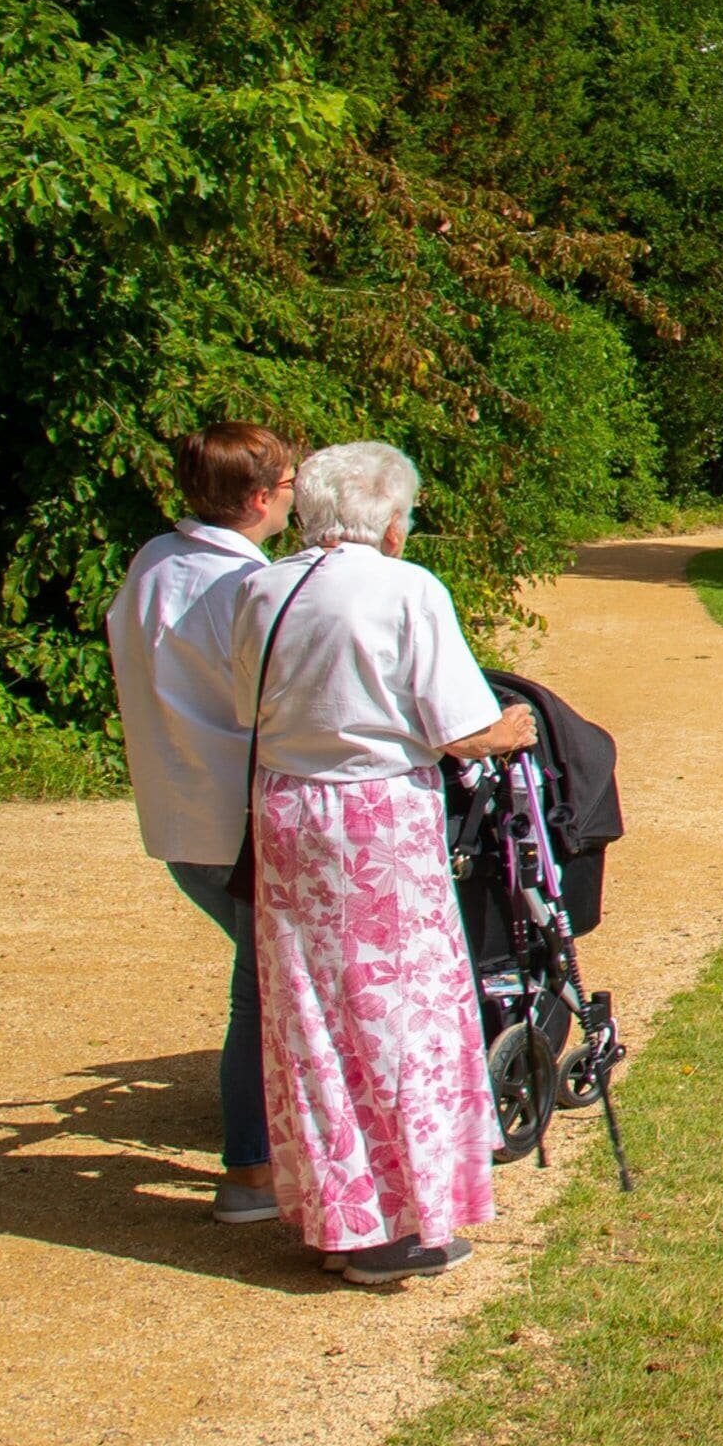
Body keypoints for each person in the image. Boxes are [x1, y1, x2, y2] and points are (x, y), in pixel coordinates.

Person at [216, 441, 531, 1285]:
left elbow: (249, 704)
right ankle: (402, 1224)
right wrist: (509, 730)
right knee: (399, 1014)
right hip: (375, 819)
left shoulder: (263, 589)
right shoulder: (405, 589)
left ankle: (341, 1216)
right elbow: (459, 728)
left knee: (312, 1017)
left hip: (286, 812)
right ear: (390, 523)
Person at [103, 422, 300, 1224]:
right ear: (257, 499)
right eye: (288, 485)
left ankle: (275, 1147)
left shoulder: (153, 561)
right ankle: (250, 1171)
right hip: (237, 819)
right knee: (261, 995)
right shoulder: (247, 588)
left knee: (269, 982)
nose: (294, 497)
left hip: (176, 812)